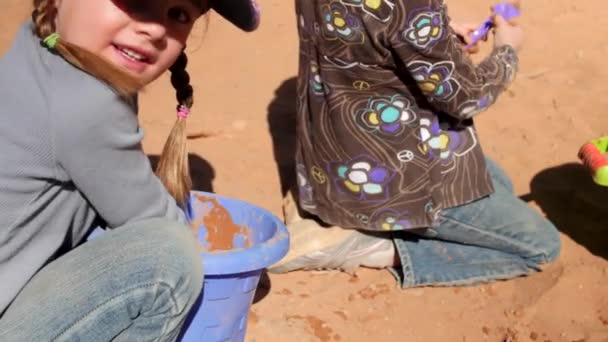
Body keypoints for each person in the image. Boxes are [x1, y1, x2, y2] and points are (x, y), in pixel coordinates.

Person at [0, 0, 259, 340]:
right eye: (136, 1)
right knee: (166, 259)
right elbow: (155, 223)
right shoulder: (87, 102)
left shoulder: (40, 43)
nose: (154, 29)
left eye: (178, 15)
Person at [269, 0, 562, 289]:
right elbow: (467, 96)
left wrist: (438, 38)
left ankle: (342, 216)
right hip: (397, 184)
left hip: (334, 160)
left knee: (501, 184)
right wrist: (507, 51)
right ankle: (380, 246)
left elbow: (369, 29)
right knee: (539, 245)